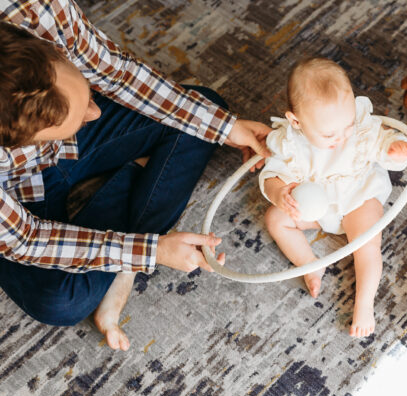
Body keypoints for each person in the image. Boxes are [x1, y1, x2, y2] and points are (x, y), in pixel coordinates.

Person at [0, 0, 272, 351]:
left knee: (203, 113)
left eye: (85, 96)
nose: (96, 112)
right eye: (83, 112)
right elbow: (28, 240)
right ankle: (127, 248)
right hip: (16, 196)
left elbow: (115, 72)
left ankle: (118, 256)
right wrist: (151, 251)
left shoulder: (32, 8)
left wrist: (225, 126)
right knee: (60, 301)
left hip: (64, 147)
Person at [259, 58, 407, 337]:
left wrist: (394, 150)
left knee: (366, 244)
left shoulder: (358, 126)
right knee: (275, 219)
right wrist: (279, 193)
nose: (341, 137)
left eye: (348, 126)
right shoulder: (289, 142)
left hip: (358, 195)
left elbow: (380, 142)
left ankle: (364, 303)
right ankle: (309, 265)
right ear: (296, 121)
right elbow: (272, 174)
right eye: (330, 133)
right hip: (317, 205)